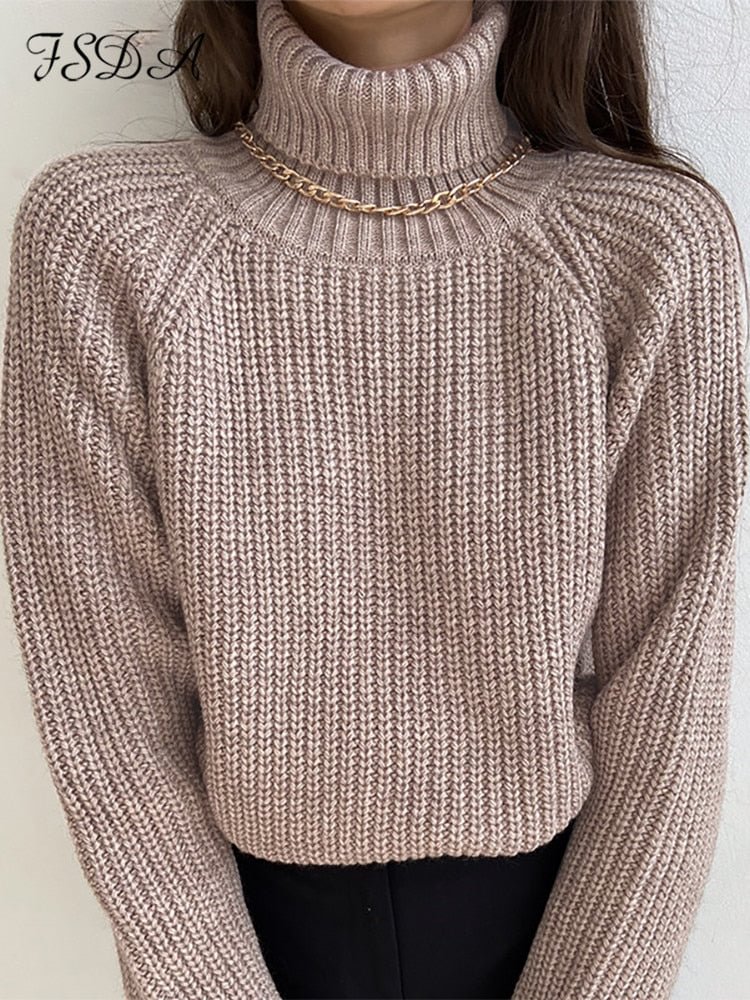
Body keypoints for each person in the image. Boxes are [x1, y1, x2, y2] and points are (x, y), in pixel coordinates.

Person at [0, 0, 747, 998]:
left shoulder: (647, 242)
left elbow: (669, 705)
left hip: (561, 929)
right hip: (231, 935)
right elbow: (107, 700)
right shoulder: (106, 234)